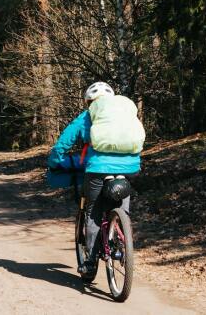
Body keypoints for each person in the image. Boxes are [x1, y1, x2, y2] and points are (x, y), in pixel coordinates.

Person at [47, 81, 141, 276]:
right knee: (123, 208)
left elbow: (65, 141)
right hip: (131, 167)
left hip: (98, 168)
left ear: (89, 102)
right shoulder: (125, 113)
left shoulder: (87, 115)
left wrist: (55, 160)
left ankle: (90, 262)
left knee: (93, 212)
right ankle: (122, 235)